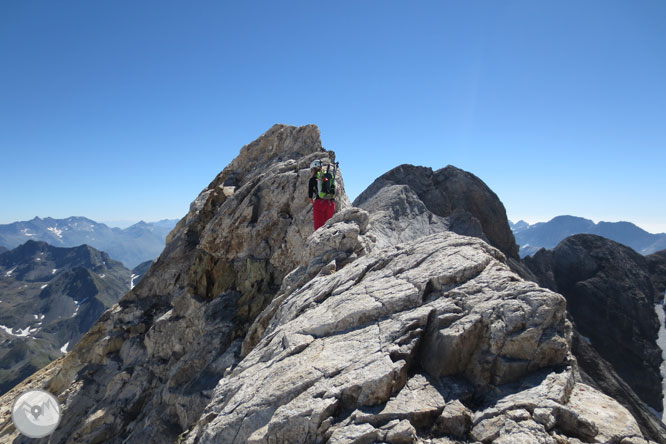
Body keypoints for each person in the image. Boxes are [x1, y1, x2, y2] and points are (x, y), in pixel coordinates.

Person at [308, 160, 336, 230]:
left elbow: (310, 197)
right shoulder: (327, 177)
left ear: (313, 169)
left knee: (319, 228)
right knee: (329, 227)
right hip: (331, 204)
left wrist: (314, 204)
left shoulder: (313, 179)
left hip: (320, 203)